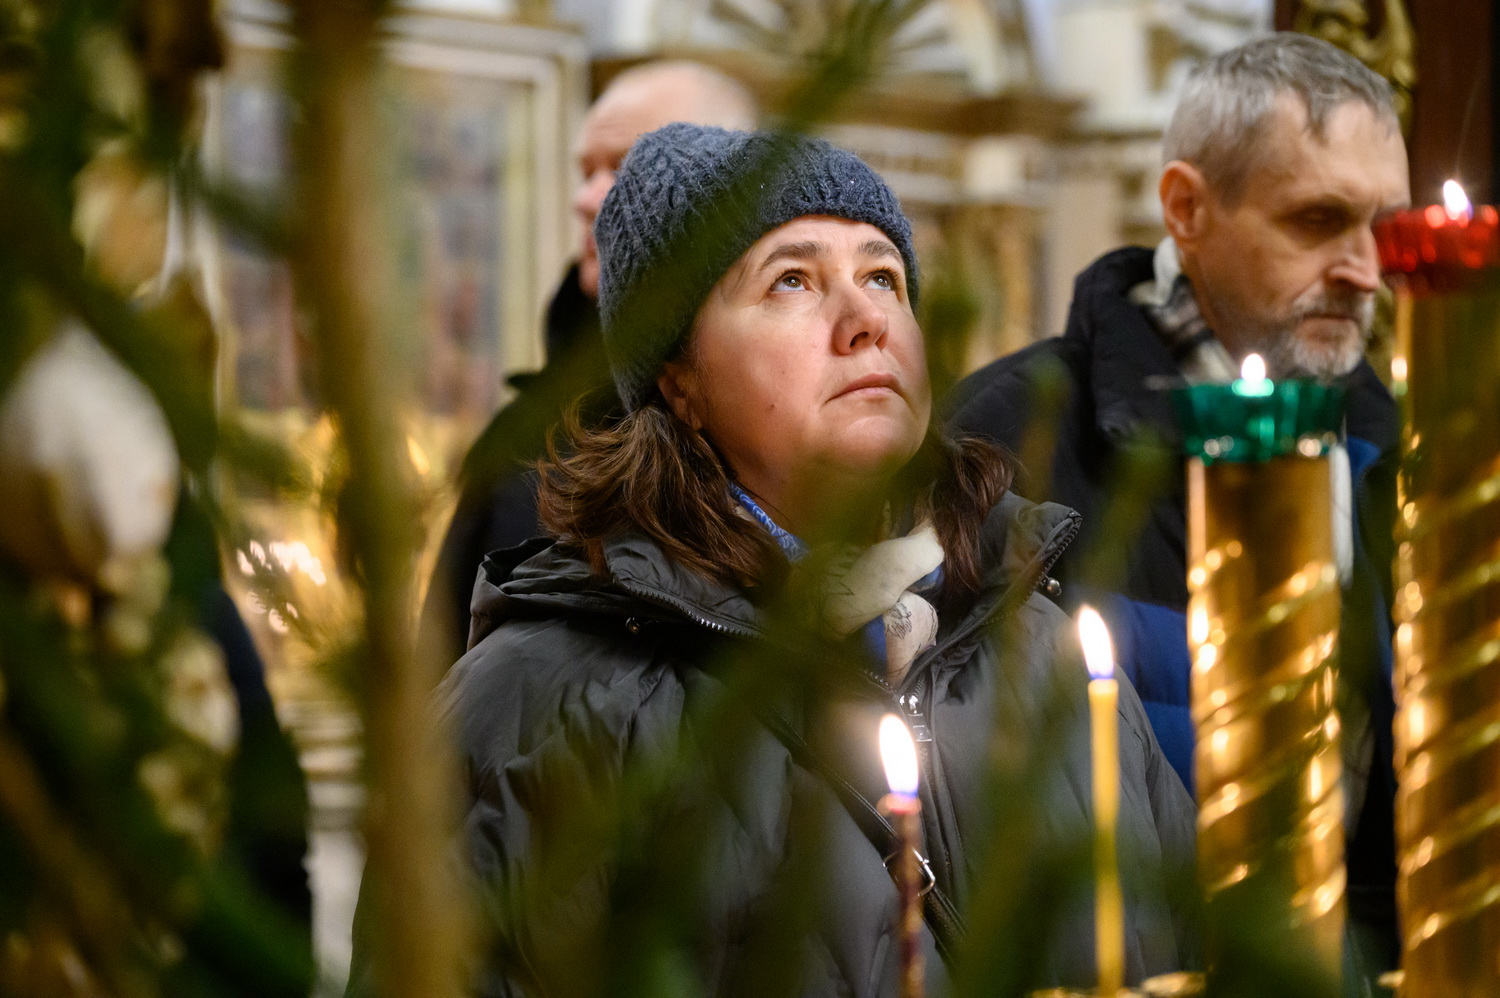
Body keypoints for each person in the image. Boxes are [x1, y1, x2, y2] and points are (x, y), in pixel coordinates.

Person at [426, 123, 1197, 996]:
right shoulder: (539, 705)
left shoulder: (1048, 652)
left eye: (883, 277)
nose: (868, 321)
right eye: (790, 280)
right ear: (678, 378)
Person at [946, 33, 1409, 980]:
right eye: (1318, 220)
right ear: (1187, 207)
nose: (1365, 270)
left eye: (1382, 226)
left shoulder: (1404, 444)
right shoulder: (1008, 441)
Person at [422, 60, 758, 664]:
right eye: (585, 172)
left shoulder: (791, 418)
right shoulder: (521, 444)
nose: (584, 199)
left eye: (624, 167)